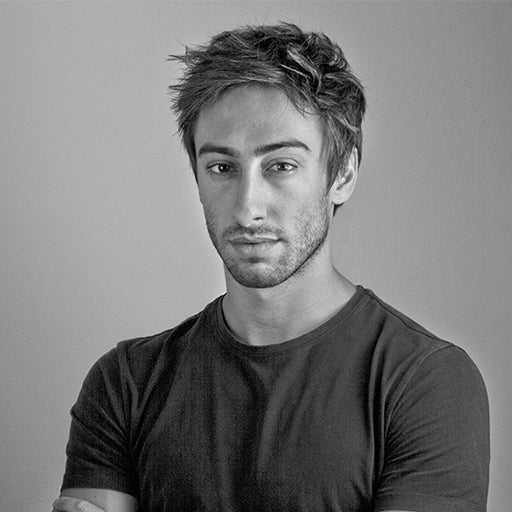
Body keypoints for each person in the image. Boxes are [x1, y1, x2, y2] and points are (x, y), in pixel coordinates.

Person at [53, 23, 489, 512]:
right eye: (222, 168)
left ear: (342, 174)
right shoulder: (126, 382)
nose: (247, 208)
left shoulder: (425, 381)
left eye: (281, 165)